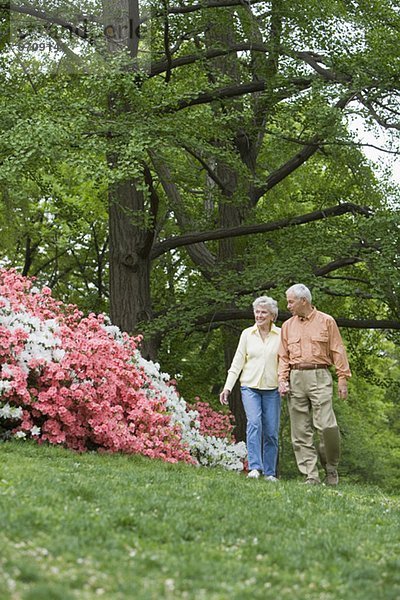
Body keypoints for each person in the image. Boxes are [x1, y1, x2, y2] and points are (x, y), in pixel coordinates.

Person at [278, 284, 351, 486]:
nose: (288, 305)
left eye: (291, 301)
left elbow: (337, 350)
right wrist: (282, 379)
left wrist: (343, 378)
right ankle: (311, 475)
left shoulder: (326, 321)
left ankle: (331, 469)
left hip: (320, 374)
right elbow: (283, 356)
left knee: (327, 425)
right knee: (300, 430)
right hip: (296, 376)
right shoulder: (287, 326)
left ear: (304, 301)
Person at [220, 296, 281, 481]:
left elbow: (286, 361)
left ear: (272, 316)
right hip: (249, 387)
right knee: (254, 423)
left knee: (271, 431)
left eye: (264, 312)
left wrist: (286, 381)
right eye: (257, 311)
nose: (259, 315)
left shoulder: (281, 335)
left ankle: (270, 472)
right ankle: (255, 467)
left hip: (273, 389)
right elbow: (237, 362)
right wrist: (227, 387)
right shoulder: (247, 334)